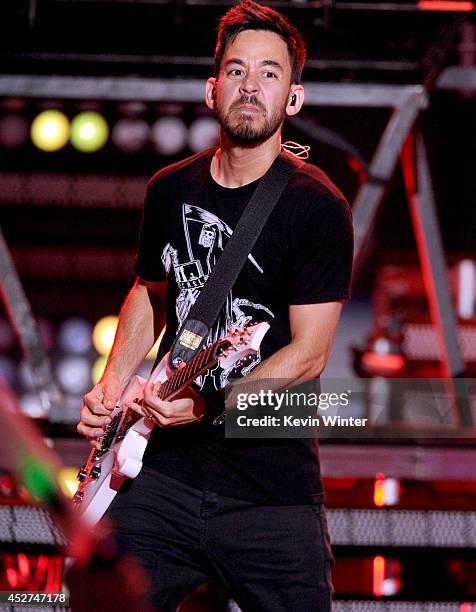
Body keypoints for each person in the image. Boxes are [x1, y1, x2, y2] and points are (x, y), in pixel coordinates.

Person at [77, 1, 353, 610]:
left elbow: (309, 353)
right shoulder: (170, 188)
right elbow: (151, 291)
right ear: (211, 89)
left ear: (293, 99)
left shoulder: (317, 208)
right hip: (162, 478)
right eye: (236, 70)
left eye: (270, 73)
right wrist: (112, 384)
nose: (251, 86)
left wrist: (208, 405)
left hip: (269, 489)